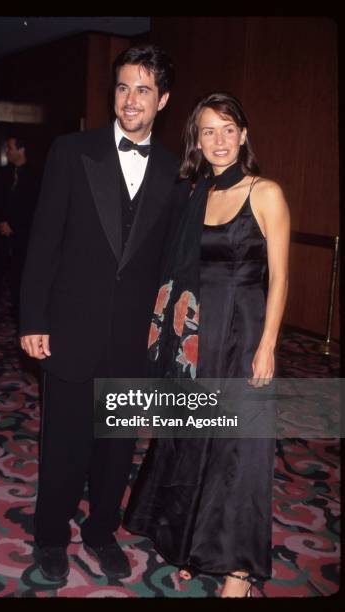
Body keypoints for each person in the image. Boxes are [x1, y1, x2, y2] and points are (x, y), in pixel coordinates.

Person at [19, 44, 187, 582]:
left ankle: (100, 532)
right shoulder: (73, 151)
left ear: (162, 99)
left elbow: (170, 263)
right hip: (70, 326)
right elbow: (43, 241)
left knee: (116, 451)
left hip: (133, 337)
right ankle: (50, 536)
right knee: (65, 445)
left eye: (142, 89)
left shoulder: (174, 169)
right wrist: (32, 319)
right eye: (122, 87)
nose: (130, 99)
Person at [123, 92, 290, 597]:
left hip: (242, 334)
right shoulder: (198, 192)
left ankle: (237, 566)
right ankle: (196, 545)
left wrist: (268, 346)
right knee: (195, 442)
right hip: (196, 337)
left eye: (227, 129)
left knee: (239, 449)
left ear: (243, 134)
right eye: (207, 131)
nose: (218, 141)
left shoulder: (266, 193)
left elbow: (280, 278)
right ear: (197, 139)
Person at [0, 135, 39, 322]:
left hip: (22, 233)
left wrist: (14, 225)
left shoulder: (36, 175)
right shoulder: (2, 173)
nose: (7, 151)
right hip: (0, 230)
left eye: (10, 147)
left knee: (19, 274)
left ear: (21, 150)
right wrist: (2, 221)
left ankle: (18, 310)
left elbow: (34, 206)